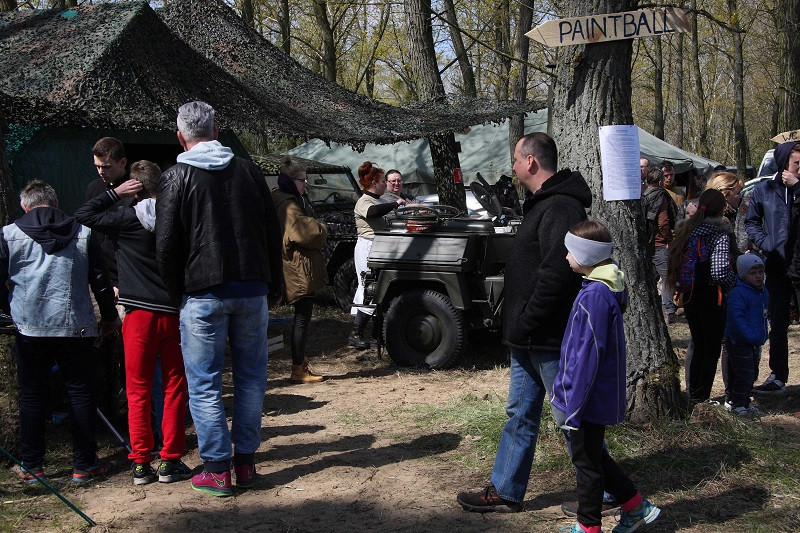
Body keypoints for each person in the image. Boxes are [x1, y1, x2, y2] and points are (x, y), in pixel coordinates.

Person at [456, 132, 592, 513]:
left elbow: (556, 274)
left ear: (531, 162)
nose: (512, 168)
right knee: (520, 414)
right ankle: (505, 490)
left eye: (515, 160)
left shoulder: (562, 207)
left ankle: (603, 491)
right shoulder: (542, 204)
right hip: (527, 337)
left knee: (571, 417)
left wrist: (529, 319)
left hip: (547, 335)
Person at [156, 101, 283, 496]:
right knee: (250, 380)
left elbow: (166, 244)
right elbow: (270, 232)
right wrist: (274, 285)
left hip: (202, 291)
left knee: (205, 383)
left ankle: (216, 468)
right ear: (217, 129)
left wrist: (175, 292)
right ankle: (245, 463)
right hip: (251, 289)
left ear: (181, 136)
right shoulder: (248, 171)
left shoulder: (175, 176)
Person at [75, 161, 191, 485]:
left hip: (137, 316)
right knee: (174, 388)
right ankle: (170, 460)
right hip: (171, 314)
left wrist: (114, 193)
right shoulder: (176, 219)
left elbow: (83, 216)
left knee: (137, 390)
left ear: (134, 187)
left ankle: (141, 463)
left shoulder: (126, 219)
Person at [0, 180, 118, 483]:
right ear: (54, 204)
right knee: (80, 394)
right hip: (75, 326)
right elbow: (100, 281)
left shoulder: (9, 234)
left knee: (32, 396)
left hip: (29, 327)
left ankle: (32, 465)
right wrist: (108, 316)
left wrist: (6, 312)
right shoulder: (83, 232)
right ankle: (84, 465)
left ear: (26, 206)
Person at [553, 220, 661, 533]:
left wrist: (573, 403)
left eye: (570, 252)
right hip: (590, 396)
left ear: (586, 257)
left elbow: (588, 357)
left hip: (587, 398)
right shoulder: (600, 289)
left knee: (586, 465)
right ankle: (636, 506)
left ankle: (588, 527)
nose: (565, 258)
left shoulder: (594, 297)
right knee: (594, 456)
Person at [667, 189, 737, 403]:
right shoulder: (719, 233)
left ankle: (693, 392)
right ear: (721, 208)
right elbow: (719, 271)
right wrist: (733, 283)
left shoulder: (687, 230)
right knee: (711, 348)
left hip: (689, 295)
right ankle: (702, 397)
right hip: (710, 295)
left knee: (698, 344)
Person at [745, 140, 800, 394]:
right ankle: (778, 376)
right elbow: (751, 222)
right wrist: (765, 242)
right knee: (778, 324)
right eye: (797, 163)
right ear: (783, 163)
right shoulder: (765, 188)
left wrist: (798, 188)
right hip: (776, 265)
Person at [272, 156, 328, 383]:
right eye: (301, 180)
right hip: (297, 269)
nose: (305, 185)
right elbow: (308, 233)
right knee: (302, 317)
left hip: (293, 266)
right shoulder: (288, 205)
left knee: (302, 317)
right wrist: (322, 226)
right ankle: (298, 368)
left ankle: (299, 366)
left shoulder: (285, 199)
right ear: (290, 180)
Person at [349, 161, 406, 350]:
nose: (385, 184)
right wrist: (394, 203)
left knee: (381, 292)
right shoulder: (365, 201)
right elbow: (373, 213)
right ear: (373, 182)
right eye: (382, 181)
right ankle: (356, 333)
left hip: (381, 248)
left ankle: (376, 336)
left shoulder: (380, 199)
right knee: (370, 290)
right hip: (368, 248)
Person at [724, 254, 769, 417]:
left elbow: (764, 314)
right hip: (739, 341)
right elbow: (736, 318)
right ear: (743, 274)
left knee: (753, 373)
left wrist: (763, 334)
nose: (758, 276)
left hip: (755, 341)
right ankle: (737, 404)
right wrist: (750, 336)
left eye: (760, 272)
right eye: (753, 273)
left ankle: (745, 402)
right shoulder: (739, 293)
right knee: (744, 374)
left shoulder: (762, 291)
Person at [642, 167, 678, 324]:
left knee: (653, 277)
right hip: (659, 244)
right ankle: (668, 311)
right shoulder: (660, 196)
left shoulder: (643, 195)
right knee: (668, 278)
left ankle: (654, 308)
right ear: (660, 181)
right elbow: (663, 222)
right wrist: (668, 240)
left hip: (647, 243)